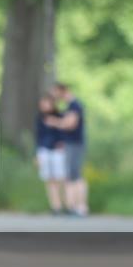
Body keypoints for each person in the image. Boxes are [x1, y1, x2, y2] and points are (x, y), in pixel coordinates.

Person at [47, 82, 88, 216]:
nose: (55, 96)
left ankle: (81, 207)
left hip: (75, 144)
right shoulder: (70, 106)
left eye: (56, 93)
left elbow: (70, 124)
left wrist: (55, 122)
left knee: (75, 175)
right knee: (71, 175)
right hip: (70, 144)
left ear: (62, 91)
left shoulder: (75, 105)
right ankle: (73, 206)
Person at [35, 94, 69, 215]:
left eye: (46, 103)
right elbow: (38, 137)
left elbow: (65, 131)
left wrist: (62, 143)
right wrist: (37, 154)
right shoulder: (40, 118)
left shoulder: (60, 116)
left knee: (62, 178)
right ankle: (55, 206)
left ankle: (67, 204)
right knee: (49, 179)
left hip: (57, 151)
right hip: (44, 150)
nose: (44, 106)